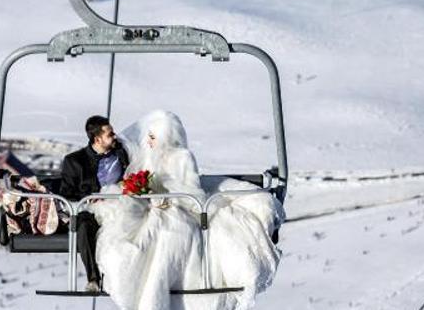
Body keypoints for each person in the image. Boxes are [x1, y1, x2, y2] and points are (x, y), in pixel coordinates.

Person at [91, 110, 284, 310]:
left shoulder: (183, 158)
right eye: (148, 136)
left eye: (153, 137)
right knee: (135, 240)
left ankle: (154, 298)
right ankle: (138, 287)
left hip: (180, 210)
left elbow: (193, 193)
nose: (148, 141)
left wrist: (167, 196)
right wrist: (145, 193)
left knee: (166, 236)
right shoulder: (148, 156)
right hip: (154, 208)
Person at [60, 115, 129, 292]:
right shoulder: (75, 161)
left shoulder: (121, 153)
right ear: (97, 139)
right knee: (83, 227)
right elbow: (67, 194)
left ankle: (124, 278)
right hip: (91, 209)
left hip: (118, 206)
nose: (115, 136)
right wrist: (89, 198)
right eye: (110, 134)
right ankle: (93, 278)